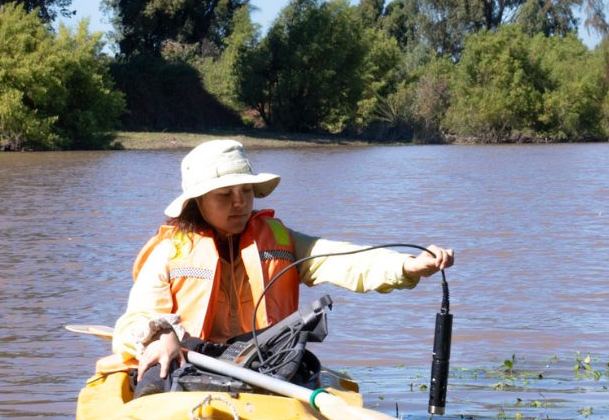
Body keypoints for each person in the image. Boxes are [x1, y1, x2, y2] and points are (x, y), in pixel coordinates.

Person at [101, 139, 454, 393]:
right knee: (153, 376)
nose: (239, 204)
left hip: (265, 362)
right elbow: (135, 318)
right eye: (224, 195)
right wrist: (160, 336)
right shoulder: (169, 251)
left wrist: (408, 266)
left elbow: (343, 260)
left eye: (247, 192)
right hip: (192, 361)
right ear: (198, 202)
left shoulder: (279, 240)